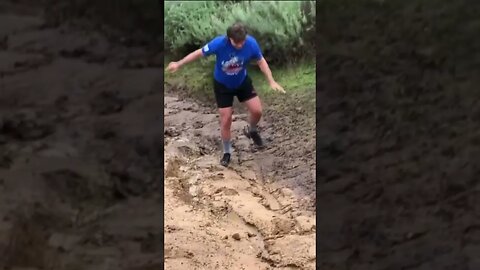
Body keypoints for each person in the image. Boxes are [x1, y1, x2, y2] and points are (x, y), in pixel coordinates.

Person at [166, 22, 285, 167]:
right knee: (226, 118)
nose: (240, 45)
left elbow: (261, 62)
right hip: (222, 85)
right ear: (229, 39)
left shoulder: (251, 43)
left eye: (242, 42)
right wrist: (179, 63)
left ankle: (252, 130)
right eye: (237, 43)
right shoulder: (218, 44)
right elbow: (198, 53)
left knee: (257, 111)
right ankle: (227, 152)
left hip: (242, 82)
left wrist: (271, 81)